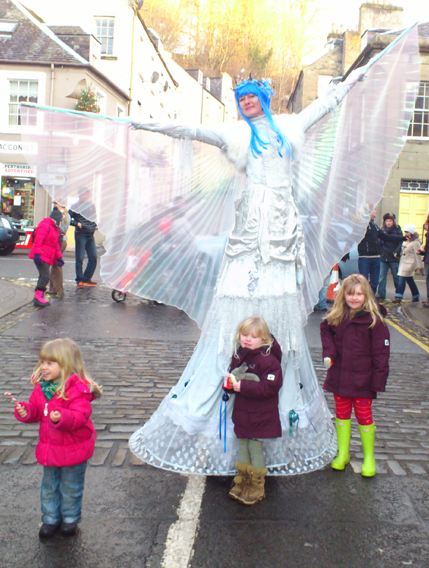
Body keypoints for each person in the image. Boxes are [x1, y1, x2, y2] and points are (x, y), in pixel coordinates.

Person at [13, 338, 101, 539]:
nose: (43, 367)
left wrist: (63, 417)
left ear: (66, 365)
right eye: (42, 362)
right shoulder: (42, 388)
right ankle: (50, 519)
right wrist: (26, 411)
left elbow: (80, 415)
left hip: (73, 449)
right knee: (49, 486)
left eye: (50, 363)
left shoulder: (78, 390)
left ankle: (70, 518)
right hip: (50, 450)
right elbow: (37, 411)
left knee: (71, 486)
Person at [320, 274, 390, 477]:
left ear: (366, 295)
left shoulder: (375, 321)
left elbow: (381, 354)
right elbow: (325, 329)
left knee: (364, 416)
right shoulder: (338, 316)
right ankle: (343, 453)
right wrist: (329, 352)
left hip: (363, 379)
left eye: (359, 294)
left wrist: (378, 379)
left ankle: (369, 457)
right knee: (342, 414)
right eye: (350, 294)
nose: (354, 298)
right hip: (340, 376)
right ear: (344, 295)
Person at [223, 317, 282, 505]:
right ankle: (242, 479)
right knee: (242, 447)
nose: (247, 339)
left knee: (254, 448)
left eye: (253, 337)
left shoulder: (269, 361)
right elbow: (233, 378)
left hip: (260, 415)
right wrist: (229, 385)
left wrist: (243, 387)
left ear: (264, 340)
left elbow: (270, 388)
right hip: (242, 413)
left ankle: (257, 484)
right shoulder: (239, 356)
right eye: (244, 335)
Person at [29, 215, 64, 307]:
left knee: (42, 276)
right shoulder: (45, 226)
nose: (61, 222)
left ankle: (38, 296)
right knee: (45, 277)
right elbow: (38, 241)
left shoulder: (54, 228)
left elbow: (55, 244)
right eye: (60, 220)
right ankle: (38, 298)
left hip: (47, 255)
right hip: (41, 255)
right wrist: (37, 254)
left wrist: (59, 257)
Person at [69, 187, 98, 289]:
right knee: (80, 258)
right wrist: (77, 224)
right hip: (81, 234)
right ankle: (79, 280)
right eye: (84, 194)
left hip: (90, 235)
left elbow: (94, 217)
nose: (85, 196)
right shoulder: (75, 206)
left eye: (87, 194)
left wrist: (95, 226)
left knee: (93, 257)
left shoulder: (91, 205)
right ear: (80, 195)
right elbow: (68, 219)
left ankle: (87, 278)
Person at [376, 212, 403, 299]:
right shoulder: (382, 230)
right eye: (387, 221)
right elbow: (379, 242)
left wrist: (397, 252)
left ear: (393, 221)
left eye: (390, 221)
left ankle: (398, 294)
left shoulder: (397, 230)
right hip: (384, 256)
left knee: (396, 277)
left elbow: (400, 242)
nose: (388, 223)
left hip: (394, 257)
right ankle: (381, 293)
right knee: (381, 276)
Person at [392, 223, 421, 303]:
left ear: (411, 232)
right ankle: (416, 295)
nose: (406, 233)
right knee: (410, 280)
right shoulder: (406, 240)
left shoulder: (416, 242)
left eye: (407, 232)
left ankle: (398, 296)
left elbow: (418, 255)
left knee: (401, 279)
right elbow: (403, 249)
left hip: (409, 264)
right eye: (405, 232)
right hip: (403, 263)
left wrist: (420, 266)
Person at [49, 202, 70, 297]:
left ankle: (57, 288)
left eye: (56, 203)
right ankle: (54, 288)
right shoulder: (67, 215)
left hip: (58, 241)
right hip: (62, 240)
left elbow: (53, 227)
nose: (54, 205)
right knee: (56, 265)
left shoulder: (58, 215)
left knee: (56, 265)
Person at [358, 209, 380, 294]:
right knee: (363, 280)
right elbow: (353, 238)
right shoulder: (362, 225)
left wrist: (401, 238)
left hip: (376, 256)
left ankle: (371, 298)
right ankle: (363, 298)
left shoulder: (375, 226)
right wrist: (346, 254)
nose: (376, 211)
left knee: (375, 281)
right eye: (374, 210)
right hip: (365, 257)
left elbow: (383, 236)